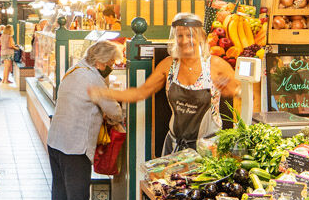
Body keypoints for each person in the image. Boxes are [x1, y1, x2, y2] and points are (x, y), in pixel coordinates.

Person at [89, 13, 239, 154]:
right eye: (180, 35)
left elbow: (240, 95)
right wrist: (105, 93)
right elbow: (140, 93)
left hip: (208, 148)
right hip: (175, 148)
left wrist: (230, 91)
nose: (185, 40)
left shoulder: (216, 65)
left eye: (190, 35)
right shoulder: (169, 66)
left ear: (201, 38)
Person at [46, 41, 124, 200]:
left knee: (60, 195)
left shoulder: (75, 69)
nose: (111, 68)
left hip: (56, 142)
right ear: (101, 62)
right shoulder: (93, 79)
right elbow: (115, 112)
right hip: (74, 148)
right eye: (111, 63)